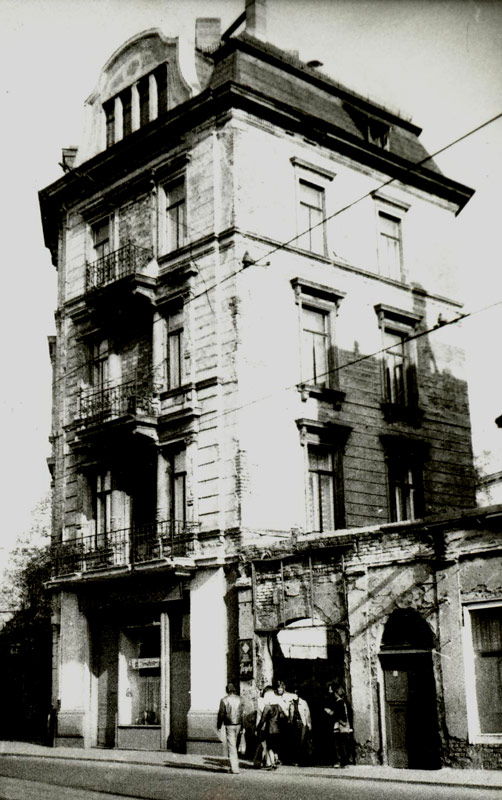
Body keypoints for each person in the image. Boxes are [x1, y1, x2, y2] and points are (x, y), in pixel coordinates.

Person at [257, 686, 286, 769]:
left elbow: (263, 719)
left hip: (269, 729)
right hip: (278, 729)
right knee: (275, 746)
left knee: (269, 747)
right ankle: (276, 759)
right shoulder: (278, 706)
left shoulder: (267, 707)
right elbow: (282, 716)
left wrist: (258, 728)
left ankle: (273, 764)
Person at [324, 683, 353, 768]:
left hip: (339, 725)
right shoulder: (345, 702)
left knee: (339, 744)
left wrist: (329, 712)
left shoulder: (338, 703)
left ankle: (341, 762)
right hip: (345, 725)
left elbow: (336, 715)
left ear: (336, 693)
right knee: (343, 743)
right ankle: (345, 762)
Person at [217, 682, 243, 774]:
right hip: (238, 724)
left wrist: (219, 725)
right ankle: (235, 765)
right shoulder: (240, 699)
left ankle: (234, 768)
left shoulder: (224, 700)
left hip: (229, 724)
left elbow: (221, 714)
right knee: (235, 745)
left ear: (227, 690)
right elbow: (242, 713)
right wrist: (243, 726)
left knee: (231, 746)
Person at [289, 688, 312, 766]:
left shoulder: (303, 702)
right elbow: (289, 714)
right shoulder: (291, 703)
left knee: (302, 741)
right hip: (294, 724)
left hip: (302, 723)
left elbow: (307, 714)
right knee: (295, 742)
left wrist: (309, 724)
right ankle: (297, 760)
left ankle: (303, 760)